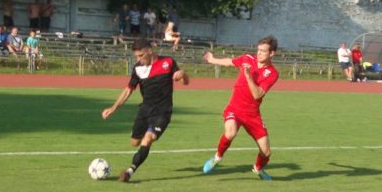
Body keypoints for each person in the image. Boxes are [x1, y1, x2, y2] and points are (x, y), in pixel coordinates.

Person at [101, 38, 189, 182]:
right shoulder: (138, 69)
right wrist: (113, 108)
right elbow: (128, 90)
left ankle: (129, 171)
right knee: (134, 143)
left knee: (148, 139)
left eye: (141, 55)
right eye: (136, 56)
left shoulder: (168, 62)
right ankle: (146, 137)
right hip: (145, 110)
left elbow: (186, 82)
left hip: (163, 112)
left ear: (150, 50)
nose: (138, 59)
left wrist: (183, 74)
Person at [201, 36, 280, 180]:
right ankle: (217, 158)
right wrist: (213, 60)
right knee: (230, 133)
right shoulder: (247, 59)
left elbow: (257, 95)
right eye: (258, 50)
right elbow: (229, 62)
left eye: (263, 51)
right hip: (235, 108)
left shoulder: (272, 73)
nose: (259, 53)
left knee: (266, 152)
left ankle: (258, 169)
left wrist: (248, 75)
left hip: (252, 115)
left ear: (272, 53)